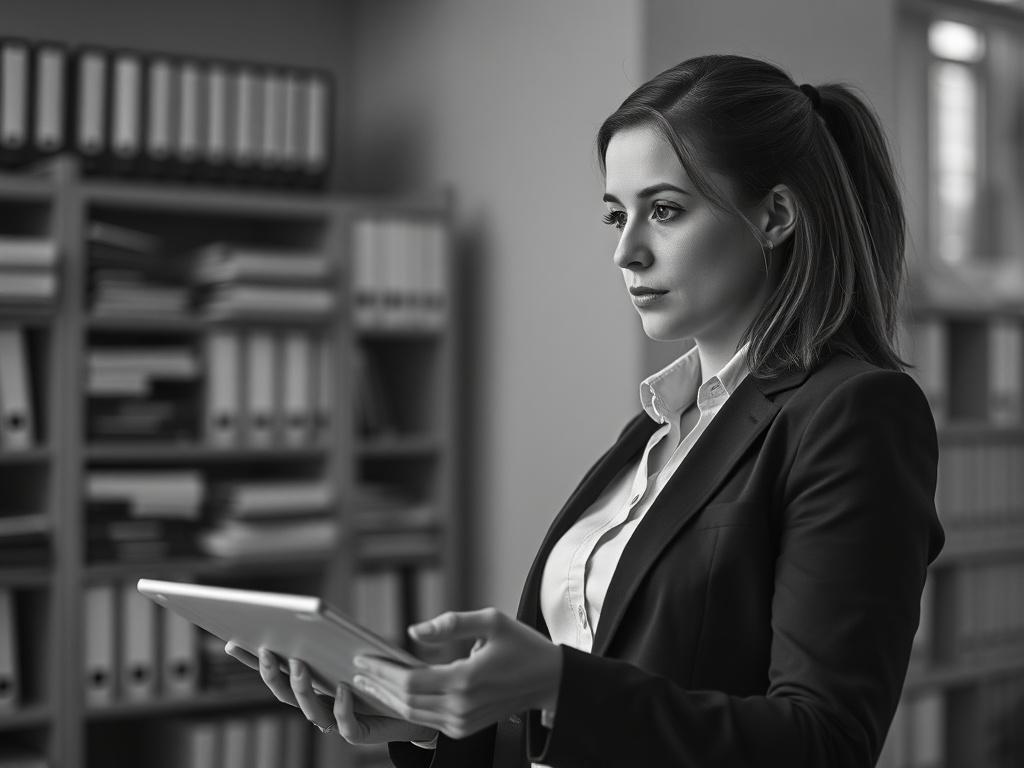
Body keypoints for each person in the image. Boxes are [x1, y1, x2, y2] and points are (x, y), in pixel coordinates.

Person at [227, 53, 945, 767]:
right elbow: (576, 725)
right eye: (615, 215)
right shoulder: (659, 429)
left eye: (664, 211)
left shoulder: (855, 413)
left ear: (776, 216)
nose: (626, 252)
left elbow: (824, 743)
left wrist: (561, 685)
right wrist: (430, 722)